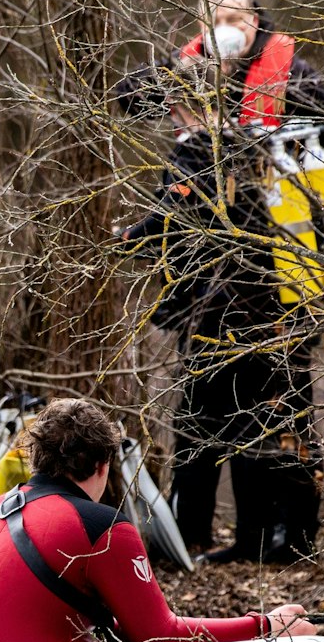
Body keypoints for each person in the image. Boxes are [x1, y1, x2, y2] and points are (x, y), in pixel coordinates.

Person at [0, 399, 315, 642]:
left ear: (36, 458)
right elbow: (159, 635)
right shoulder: (101, 525)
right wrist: (264, 625)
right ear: (104, 465)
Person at [125, 70, 295, 562]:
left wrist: (127, 238)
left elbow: (169, 219)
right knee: (250, 422)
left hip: (215, 314)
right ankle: (250, 538)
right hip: (260, 308)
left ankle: (191, 536)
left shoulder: (198, 151)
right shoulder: (250, 149)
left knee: (199, 426)